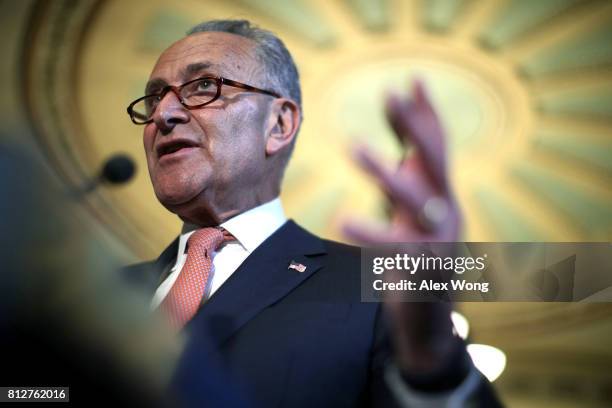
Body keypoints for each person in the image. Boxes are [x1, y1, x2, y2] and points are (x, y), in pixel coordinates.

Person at [124, 19, 501, 407]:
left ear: (279, 124)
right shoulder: (95, 294)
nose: (163, 115)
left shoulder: (375, 283)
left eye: (203, 86)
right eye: (155, 99)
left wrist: (433, 362)